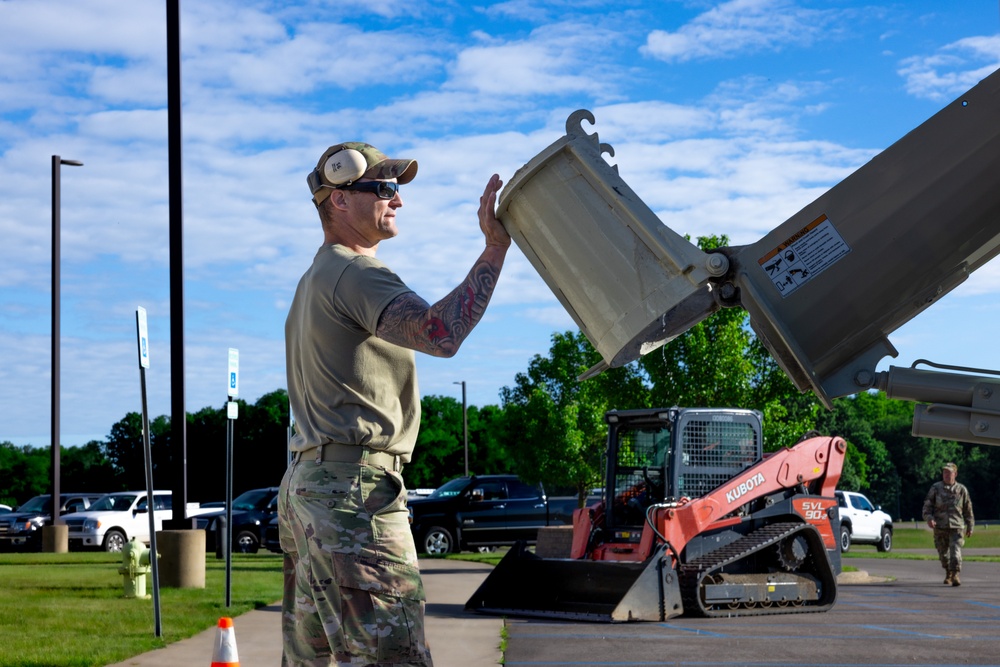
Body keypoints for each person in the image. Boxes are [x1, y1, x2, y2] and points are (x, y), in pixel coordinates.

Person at [278, 142, 510, 666]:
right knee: (391, 658)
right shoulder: (355, 273)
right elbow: (440, 333)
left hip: (308, 488)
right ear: (339, 200)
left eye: (396, 188)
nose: (397, 199)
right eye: (382, 188)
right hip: (353, 496)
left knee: (311, 660)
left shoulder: (315, 278)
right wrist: (494, 248)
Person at [921, 462, 974, 586]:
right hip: (940, 527)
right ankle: (948, 572)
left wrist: (970, 525)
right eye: (944, 472)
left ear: (955, 474)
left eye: (949, 472)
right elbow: (927, 506)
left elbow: (968, 509)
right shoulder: (936, 488)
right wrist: (929, 518)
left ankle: (955, 575)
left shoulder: (961, 490)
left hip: (957, 527)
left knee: (955, 552)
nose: (946, 475)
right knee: (944, 555)